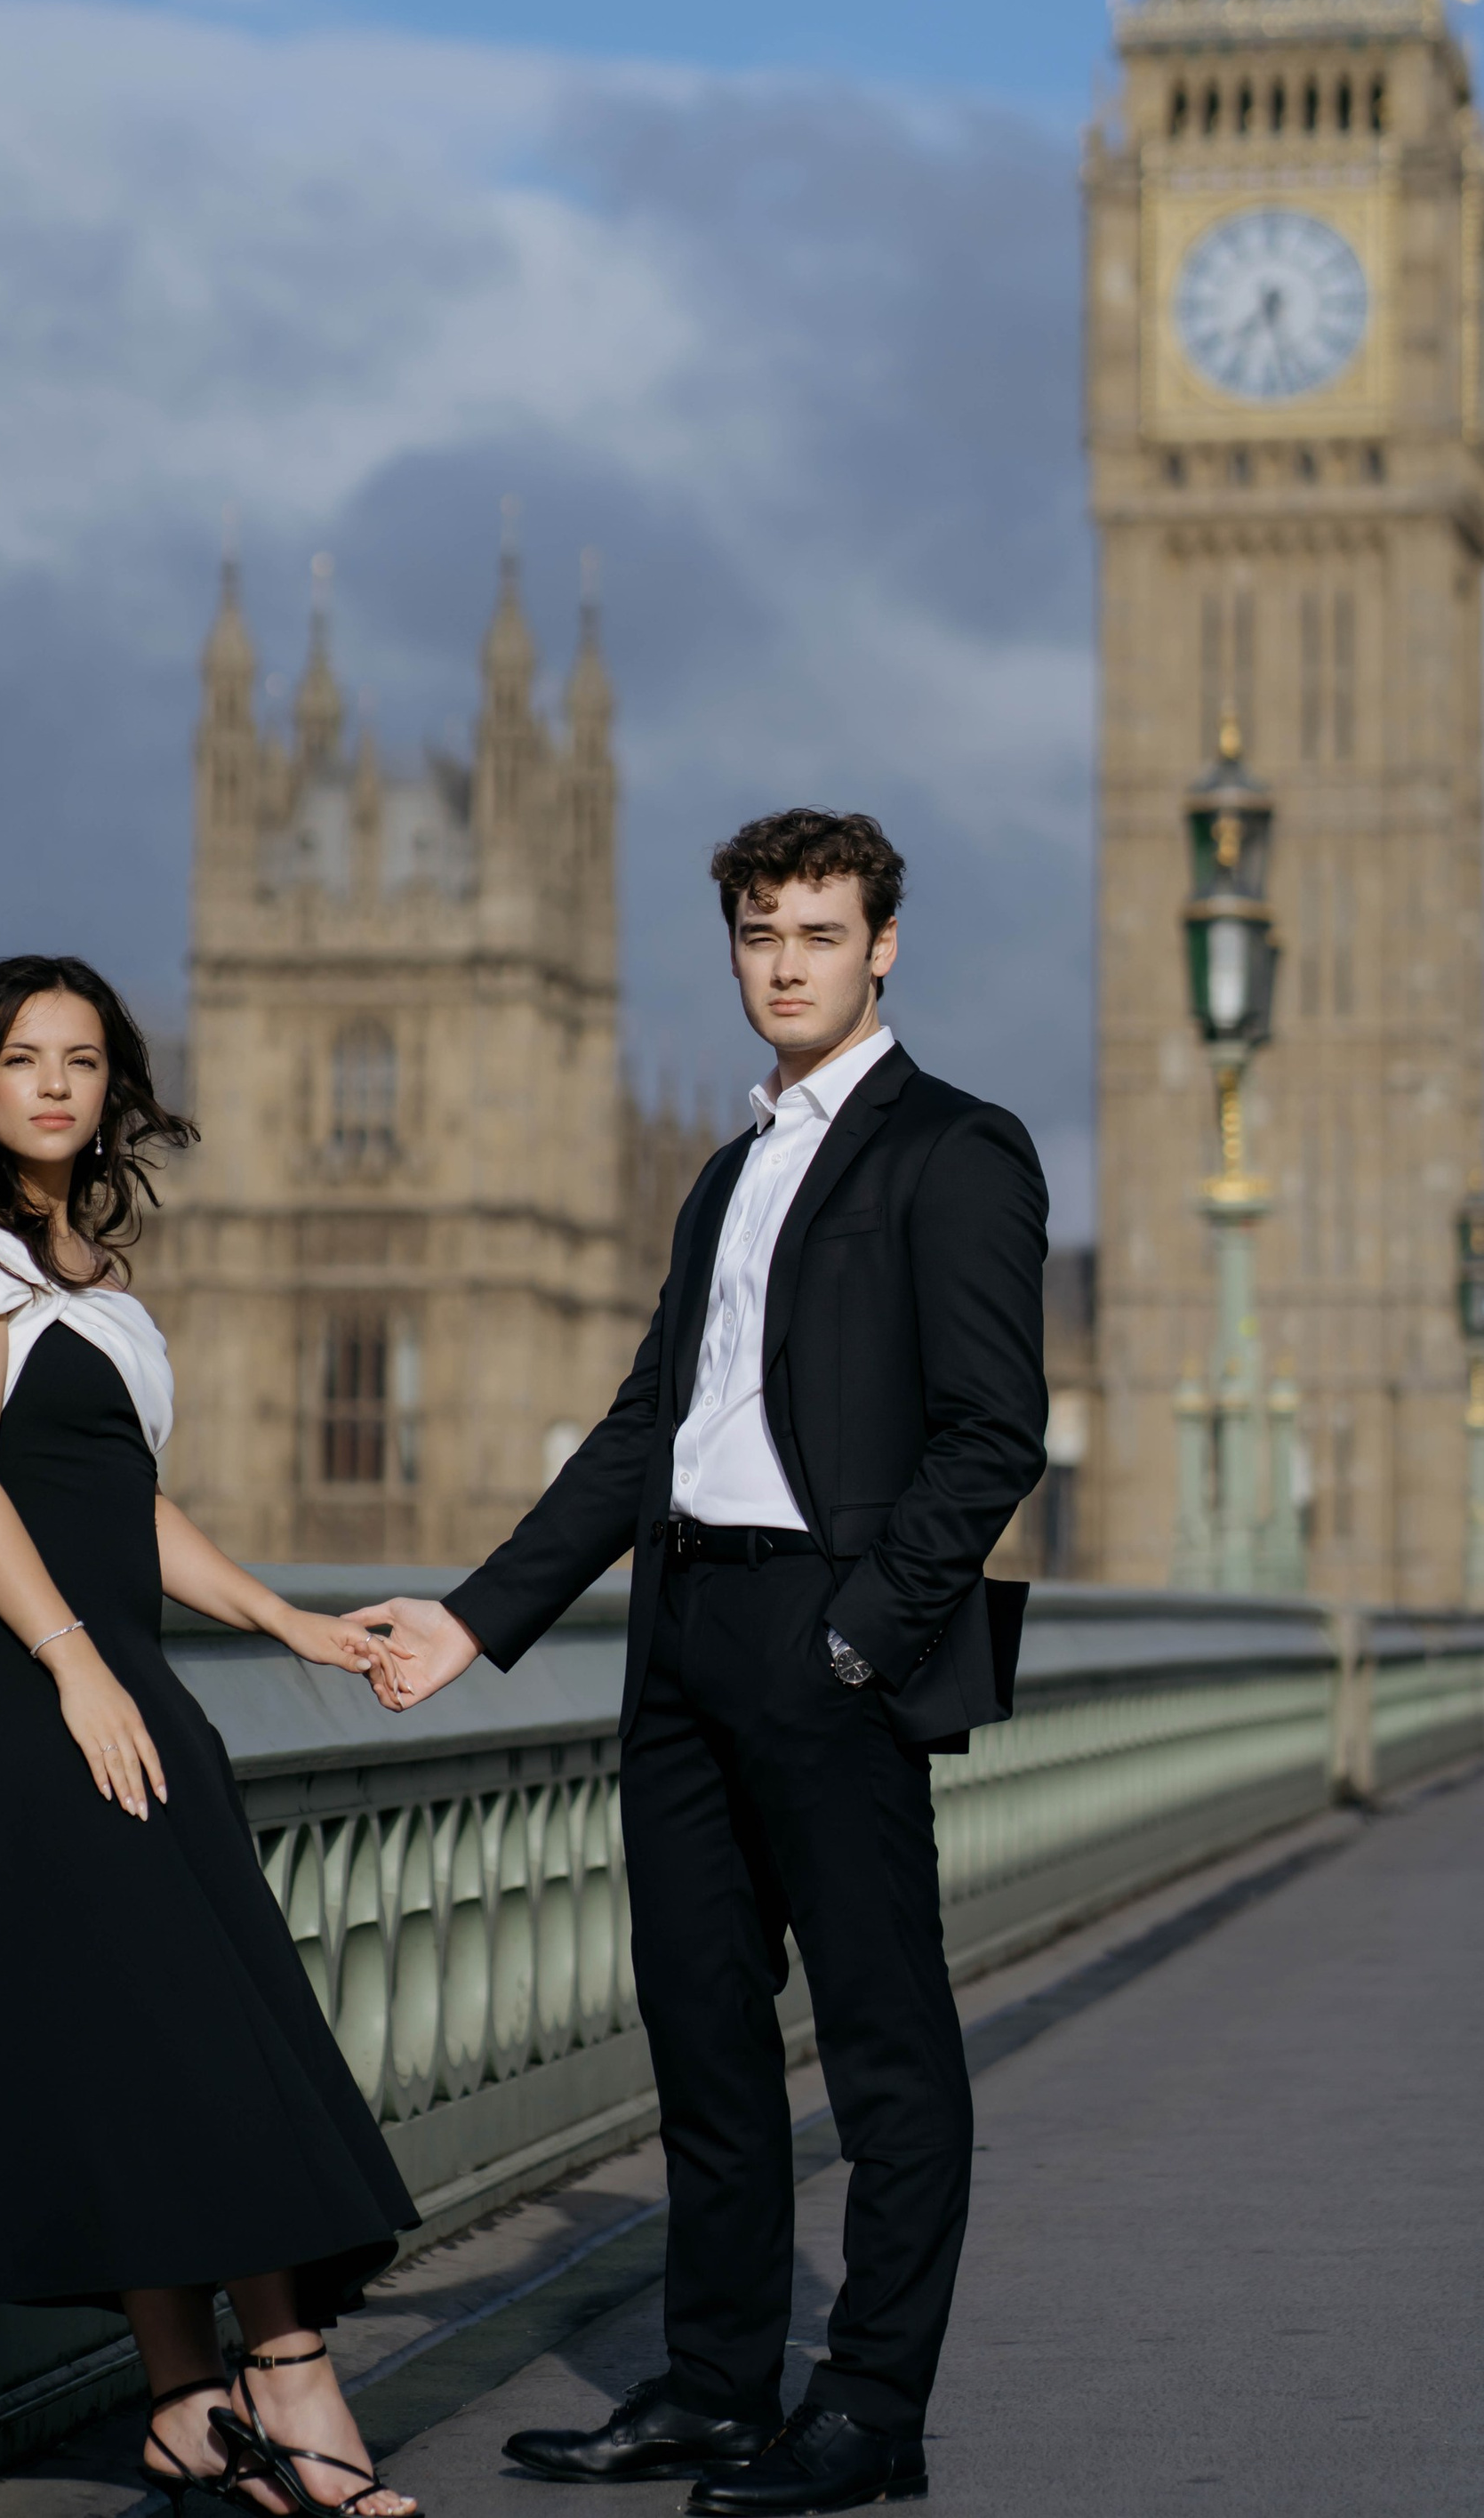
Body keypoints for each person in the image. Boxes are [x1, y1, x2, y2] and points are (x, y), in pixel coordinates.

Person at [353, 811, 1047, 2517]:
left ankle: (870, 2408)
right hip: (681, 1638)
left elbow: (991, 1434)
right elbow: (644, 1431)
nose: (787, 962)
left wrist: (856, 1637)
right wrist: (476, 1615)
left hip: (825, 1639)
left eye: (818, 933)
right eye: (761, 937)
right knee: (706, 2043)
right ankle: (722, 2389)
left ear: (883, 945)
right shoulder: (727, 1174)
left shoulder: (957, 1149)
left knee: (887, 2052)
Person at [0, 954, 422, 2518]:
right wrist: (69, 1665)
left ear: (113, 1085)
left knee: (161, 2017)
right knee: (200, 2023)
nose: (56, 1084)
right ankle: (295, 2372)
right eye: (22, 1059)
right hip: (24, 1674)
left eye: (83, 1059)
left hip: (113, 1666)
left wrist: (295, 1624)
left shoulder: (97, 1280)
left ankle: (187, 2406)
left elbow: (135, 1513)